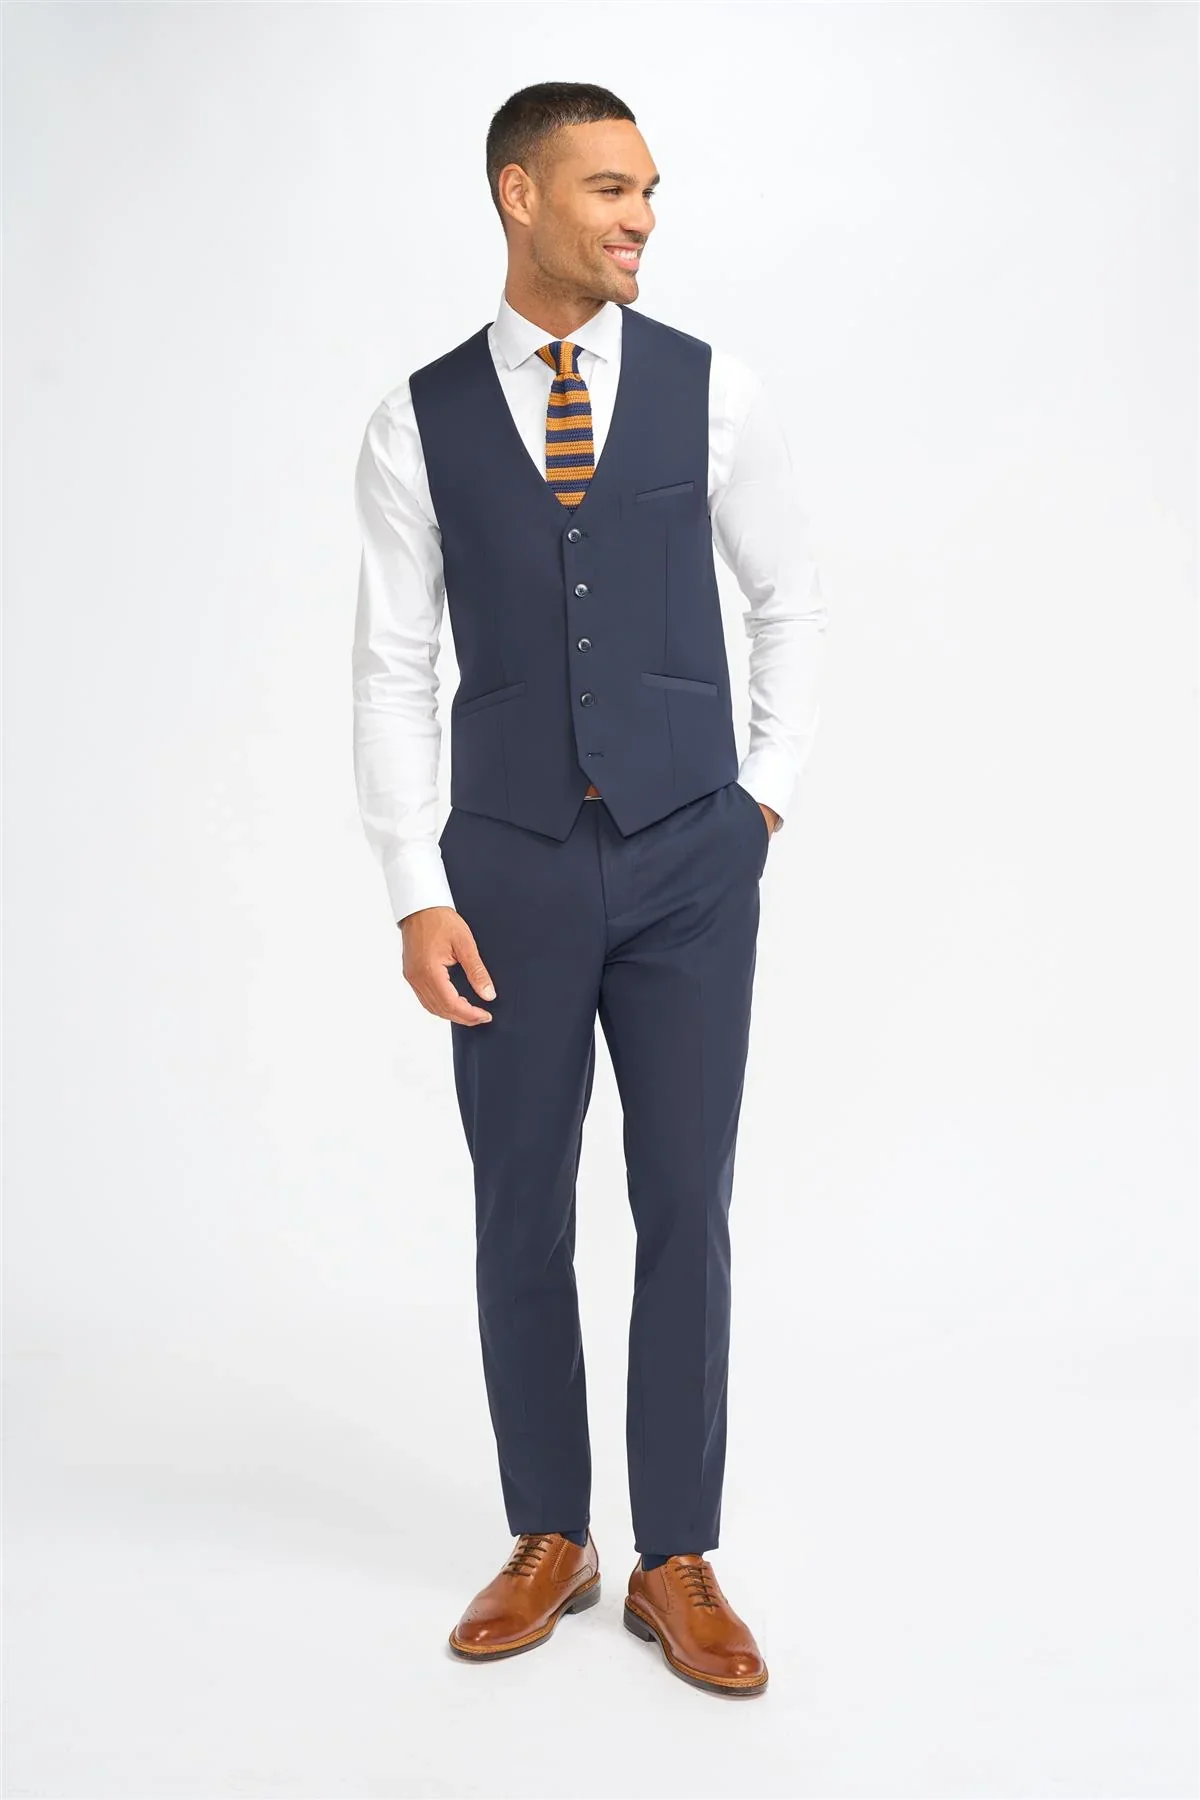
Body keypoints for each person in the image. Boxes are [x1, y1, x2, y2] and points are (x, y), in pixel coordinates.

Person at [351, 81, 827, 1698]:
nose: (641, 218)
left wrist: (762, 800)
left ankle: (674, 1556)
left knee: (686, 1197)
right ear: (519, 194)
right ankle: (549, 1532)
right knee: (520, 1204)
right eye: (610, 188)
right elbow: (391, 665)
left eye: (649, 192)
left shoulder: (714, 390)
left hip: (693, 856)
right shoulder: (415, 420)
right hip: (508, 868)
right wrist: (415, 884)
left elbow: (791, 600)